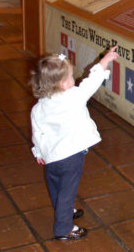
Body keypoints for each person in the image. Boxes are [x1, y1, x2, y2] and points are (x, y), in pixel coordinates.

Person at [30, 45, 119, 241]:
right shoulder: (74, 97)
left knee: (56, 186)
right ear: (62, 83)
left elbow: (37, 133)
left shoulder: (38, 108)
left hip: (51, 157)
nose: (74, 80)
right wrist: (105, 60)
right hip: (71, 156)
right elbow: (92, 81)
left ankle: (65, 210)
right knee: (68, 190)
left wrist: (38, 153)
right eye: (70, 77)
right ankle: (64, 228)